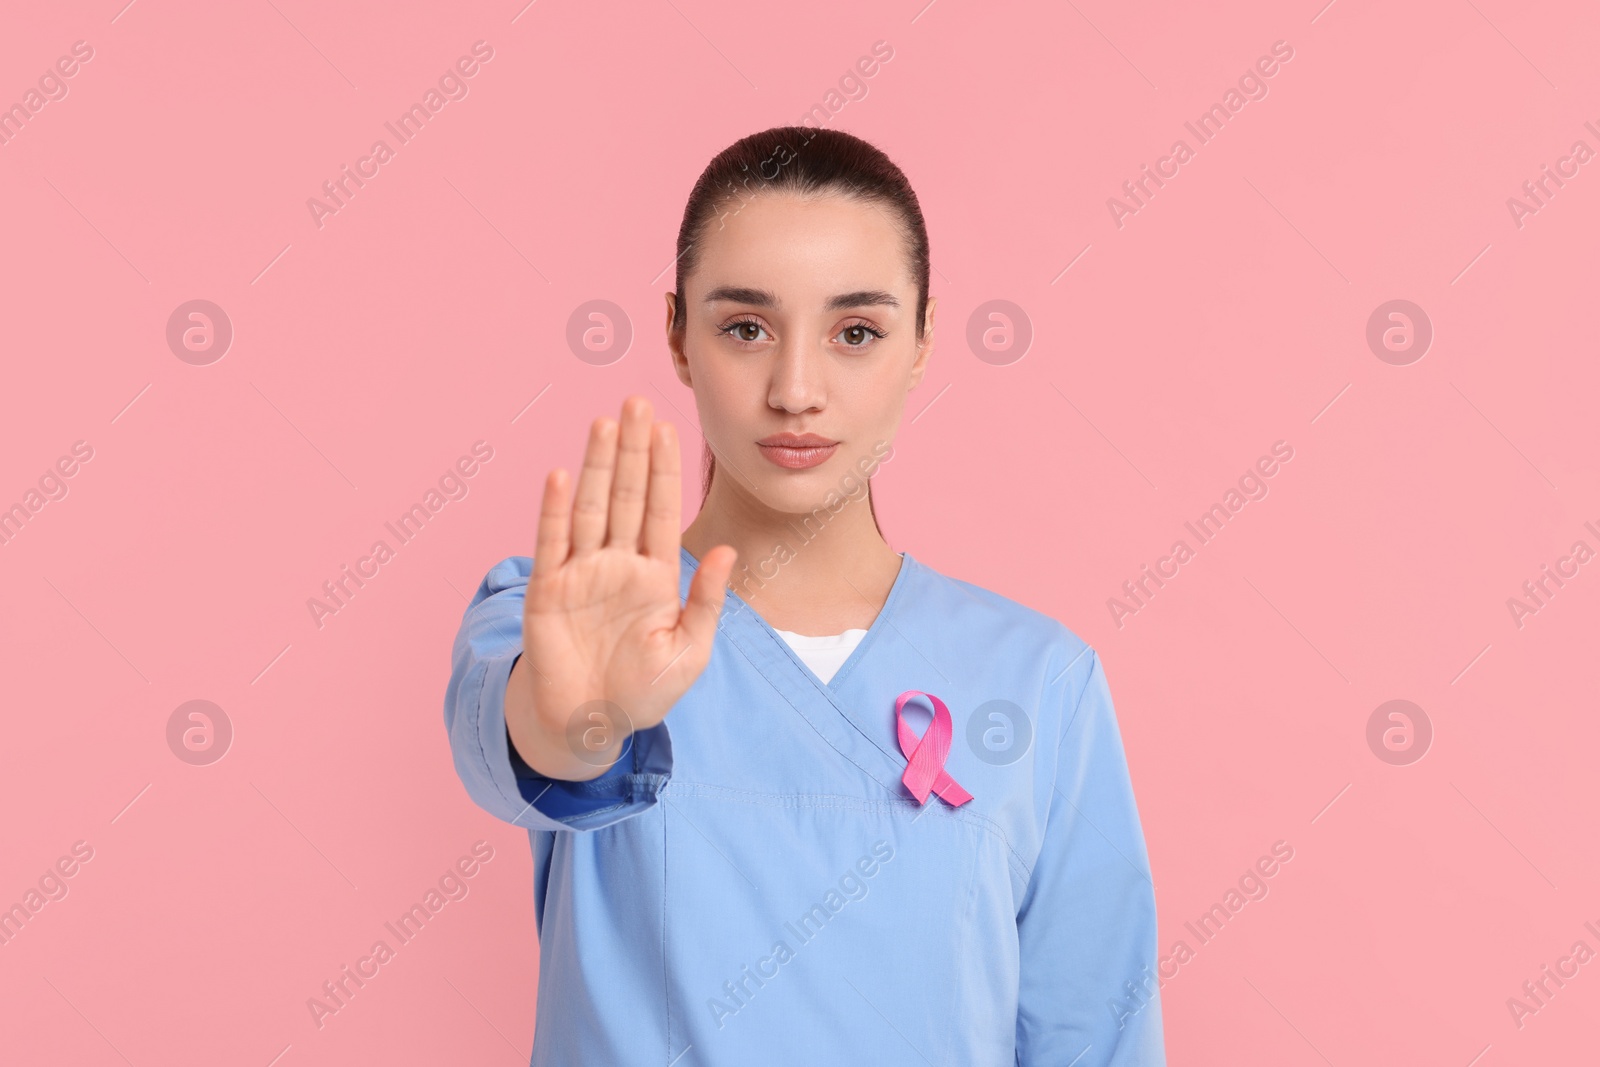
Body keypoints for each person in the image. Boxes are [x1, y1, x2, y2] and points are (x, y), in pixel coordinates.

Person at [444, 125, 1166, 1065]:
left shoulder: (1040, 683)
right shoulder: (560, 619)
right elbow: (508, 741)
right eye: (745, 327)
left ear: (922, 340)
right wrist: (578, 720)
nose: (795, 389)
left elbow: (1094, 1031)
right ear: (677, 335)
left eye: (855, 332)